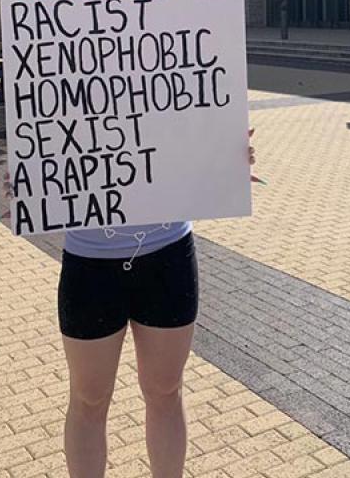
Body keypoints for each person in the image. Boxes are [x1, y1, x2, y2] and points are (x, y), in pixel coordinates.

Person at [14, 132, 258, 478]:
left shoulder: (176, 73)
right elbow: (43, 137)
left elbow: (195, 122)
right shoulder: (63, 76)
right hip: (90, 261)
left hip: (168, 255)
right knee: (89, 398)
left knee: (166, 391)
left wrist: (223, 157)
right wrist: (29, 175)